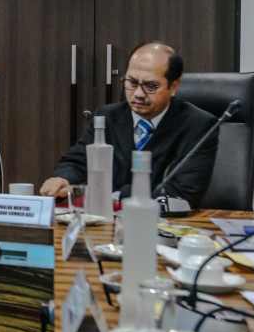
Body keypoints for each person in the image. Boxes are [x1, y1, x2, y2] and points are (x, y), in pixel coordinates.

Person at [40, 41, 217, 208]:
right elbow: (78, 161)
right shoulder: (108, 116)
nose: (138, 94)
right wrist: (63, 179)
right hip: (108, 223)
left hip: (164, 225)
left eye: (151, 86)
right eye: (131, 82)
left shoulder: (198, 125)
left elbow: (182, 193)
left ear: (173, 87)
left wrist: (113, 195)